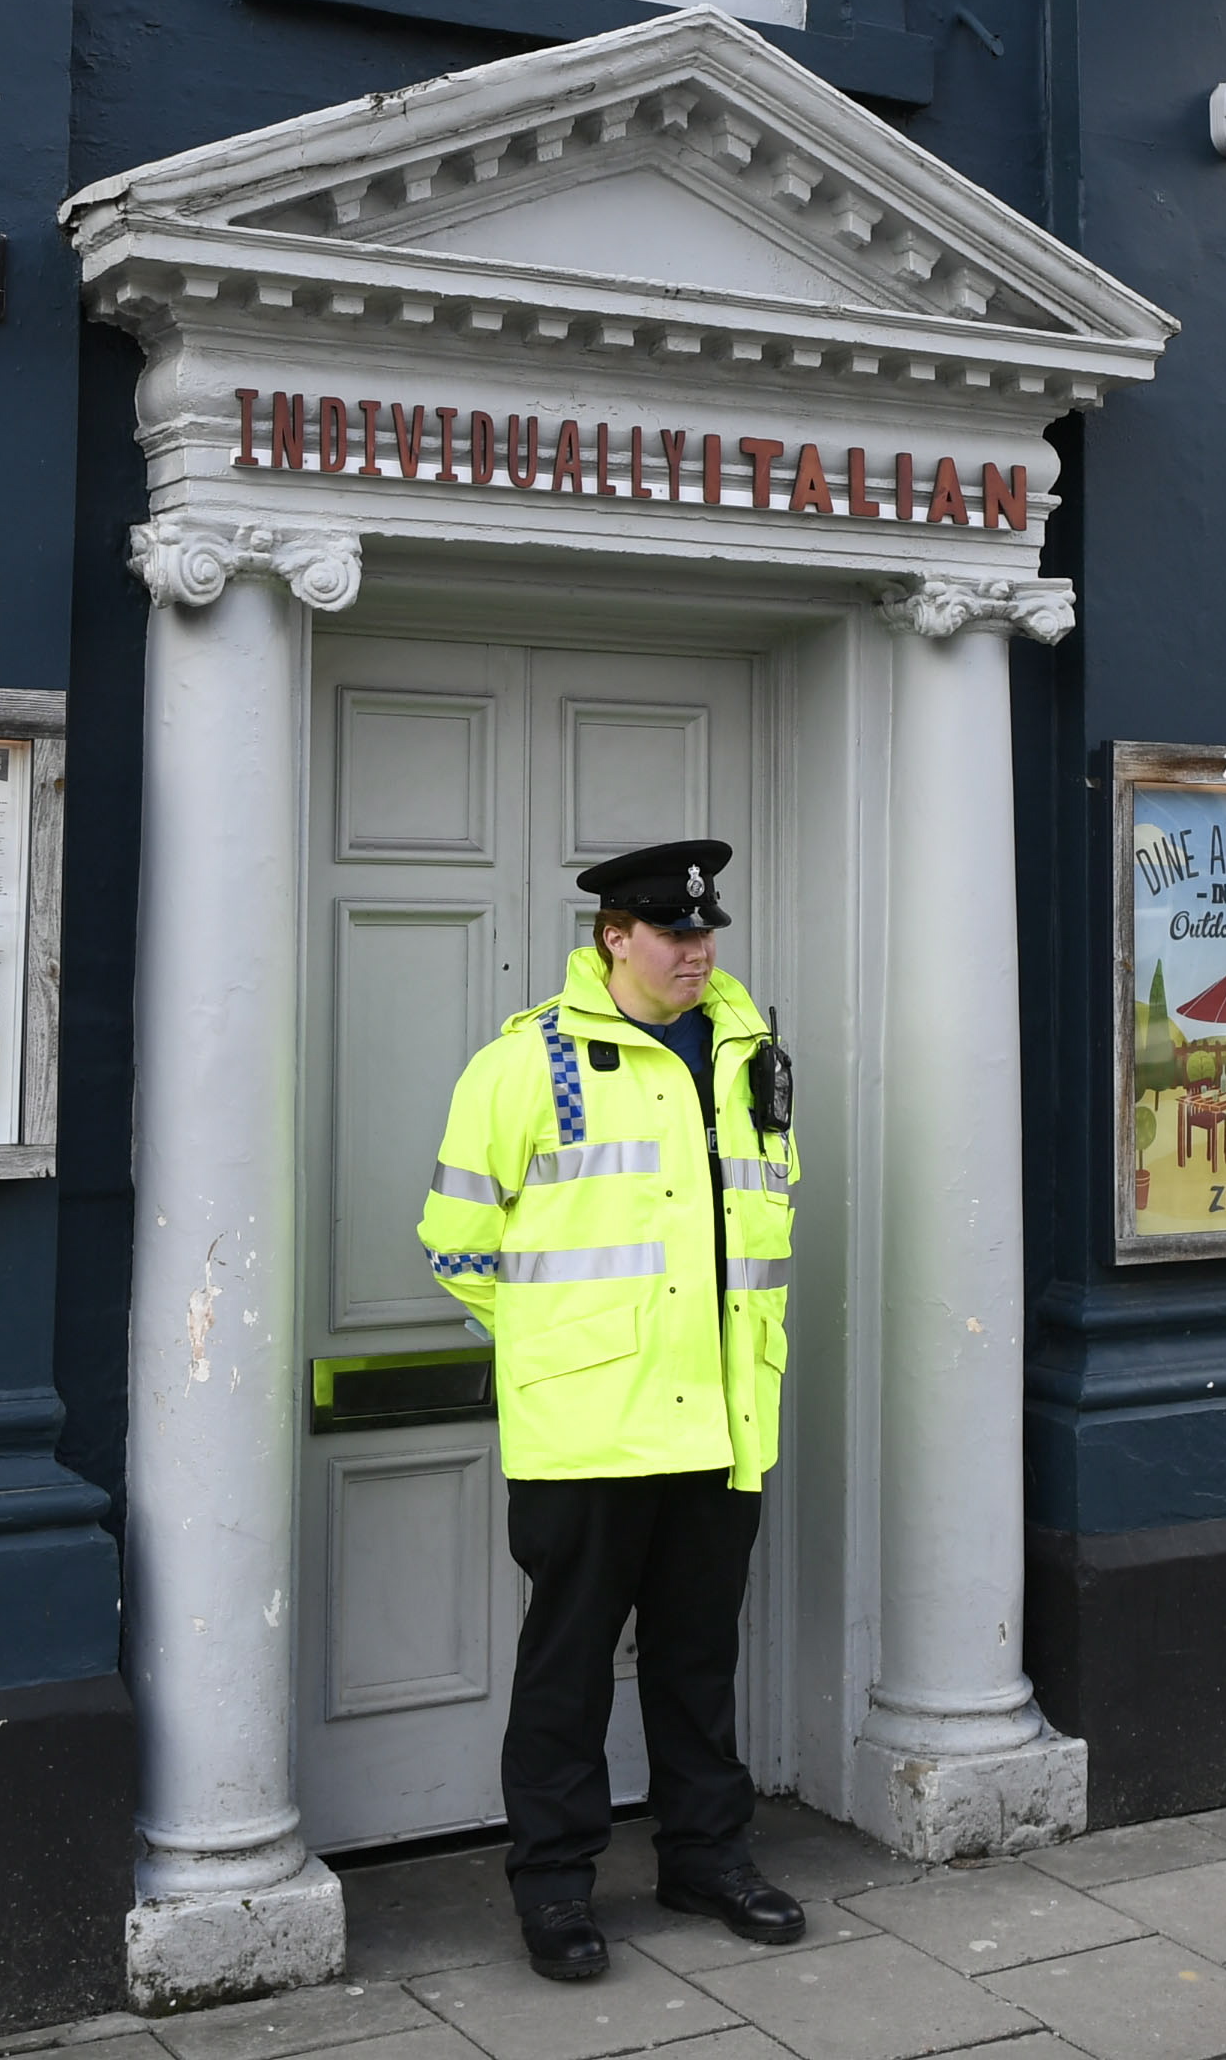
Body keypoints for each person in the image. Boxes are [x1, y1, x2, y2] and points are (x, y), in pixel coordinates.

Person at [415, 837, 806, 1983]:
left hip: (721, 1418)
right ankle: (552, 1888)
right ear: (613, 937)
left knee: (697, 1660)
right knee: (567, 1671)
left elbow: (762, 1222)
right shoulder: (526, 1063)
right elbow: (455, 1244)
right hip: (587, 1429)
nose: (697, 951)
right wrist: (563, 1350)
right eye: (673, 933)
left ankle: (706, 1859)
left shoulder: (745, 1055)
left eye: (705, 931)